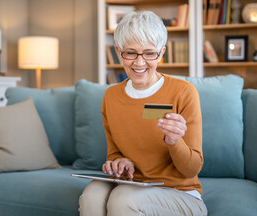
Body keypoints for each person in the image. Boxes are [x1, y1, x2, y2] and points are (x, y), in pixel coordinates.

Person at [79, 11, 208, 216]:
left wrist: (175, 141)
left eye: (149, 53)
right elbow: (113, 153)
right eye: (131, 53)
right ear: (119, 51)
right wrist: (120, 162)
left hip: (180, 193)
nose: (139, 63)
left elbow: (191, 170)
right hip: (133, 185)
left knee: (124, 200)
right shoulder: (111, 96)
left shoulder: (183, 92)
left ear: (161, 52)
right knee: (92, 195)